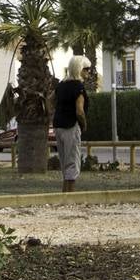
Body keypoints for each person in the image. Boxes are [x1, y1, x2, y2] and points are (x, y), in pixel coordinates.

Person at [53, 56, 90, 192]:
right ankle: (71, 196)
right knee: (73, 162)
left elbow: (49, 101)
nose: (88, 72)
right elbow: (79, 111)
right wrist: (84, 124)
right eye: (86, 69)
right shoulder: (78, 87)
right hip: (71, 126)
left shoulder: (61, 85)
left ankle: (64, 194)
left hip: (58, 126)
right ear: (79, 69)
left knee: (64, 162)